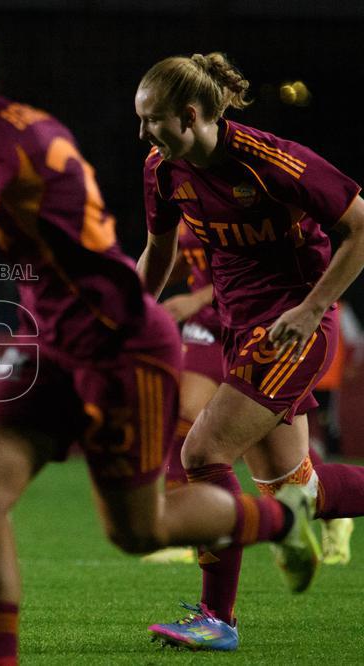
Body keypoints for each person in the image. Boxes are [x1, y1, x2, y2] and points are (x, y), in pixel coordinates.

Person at [0, 3, 321, 664]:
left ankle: (280, 519)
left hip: (119, 347)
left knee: (141, 530)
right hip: (57, 345)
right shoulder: (23, 122)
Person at [135, 52, 364, 650]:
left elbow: (361, 227)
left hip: (293, 328)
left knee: (201, 452)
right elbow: (158, 254)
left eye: (153, 119)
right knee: (298, 494)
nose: (144, 134)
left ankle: (218, 619)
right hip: (239, 329)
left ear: (190, 115)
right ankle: (278, 538)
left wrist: (313, 307)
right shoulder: (163, 169)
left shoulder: (271, 160)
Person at [143, 222, 354, 567]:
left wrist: (194, 299)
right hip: (209, 326)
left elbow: (251, 267)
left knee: (264, 455)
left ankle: (314, 511)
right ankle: (199, 545)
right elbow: (182, 257)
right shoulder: (178, 189)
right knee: (191, 421)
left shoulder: (236, 195)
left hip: (254, 323)